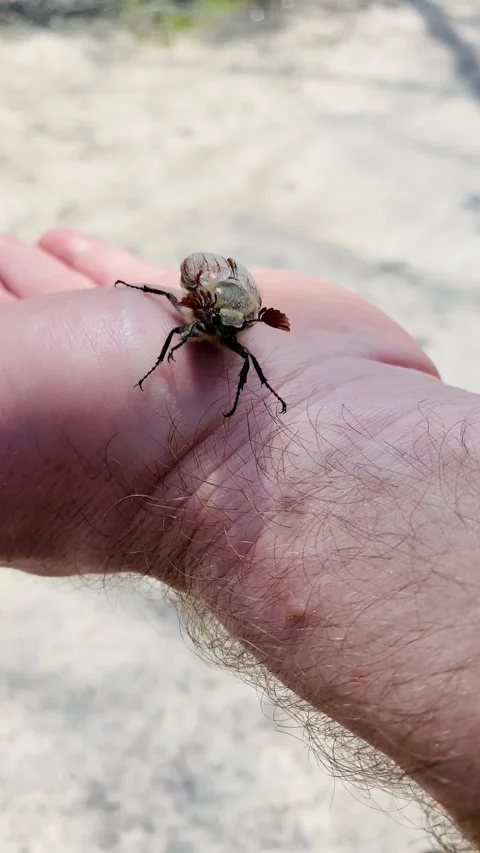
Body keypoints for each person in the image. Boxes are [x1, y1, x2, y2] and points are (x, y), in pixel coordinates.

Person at [0, 228, 478, 847]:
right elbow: (181, 317)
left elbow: (246, 339)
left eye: (236, 327)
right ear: (202, 304)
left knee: (241, 363)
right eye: (221, 324)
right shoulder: (196, 311)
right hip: (204, 292)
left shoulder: (240, 328)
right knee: (179, 335)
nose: (227, 340)